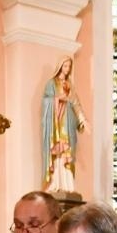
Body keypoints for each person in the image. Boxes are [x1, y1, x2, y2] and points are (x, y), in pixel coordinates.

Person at [42, 57, 86, 195]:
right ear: (60, 66)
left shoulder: (69, 85)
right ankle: (55, 182)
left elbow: (76, 104)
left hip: (68, 123)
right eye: (65, 66)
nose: (67, 69)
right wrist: (57, 99)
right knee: (57, 152)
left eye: (69, 67)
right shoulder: (51, 84)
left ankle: (67, 184)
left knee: (67, 152)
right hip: (56, 124)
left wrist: (82, 120)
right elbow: (45, 102)